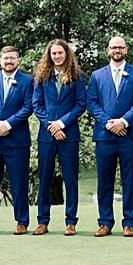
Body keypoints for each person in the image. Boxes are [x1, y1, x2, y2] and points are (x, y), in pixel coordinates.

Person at [86, 35, 133, 237]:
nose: (117, 50)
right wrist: (109, 122)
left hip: (130, 135)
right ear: (108, 50)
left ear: (126, 50)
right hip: (105, 136)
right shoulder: (97, 75)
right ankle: (105, 222)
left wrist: (124, 121)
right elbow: (92, 103)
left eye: (120, 47)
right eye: (113, 47)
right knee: (105, 181)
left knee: (129, 180)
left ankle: (129, 223)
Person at [31, 39, 86, 236]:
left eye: (60, 53)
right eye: (53, 53)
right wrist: (51, 126)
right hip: (46, 136)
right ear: (49, 55)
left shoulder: (78, 77)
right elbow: (37, 105)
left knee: (70, 179)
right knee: (44, 178)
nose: (57, 56)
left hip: (68, 135)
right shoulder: (41, 77)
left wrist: (61, 124)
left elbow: (80, 105)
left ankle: (71, 222)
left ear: (66, 54)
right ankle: (42, 221)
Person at [0, 45, 34, 234]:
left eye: (12, 58)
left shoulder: (27, 81)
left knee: (19, 183)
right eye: (5, 58)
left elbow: (28, 107)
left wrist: (8, 125)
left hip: (17, 141)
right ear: (0, 60)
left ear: (18, 60)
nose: (8, 61)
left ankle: (22, 222)